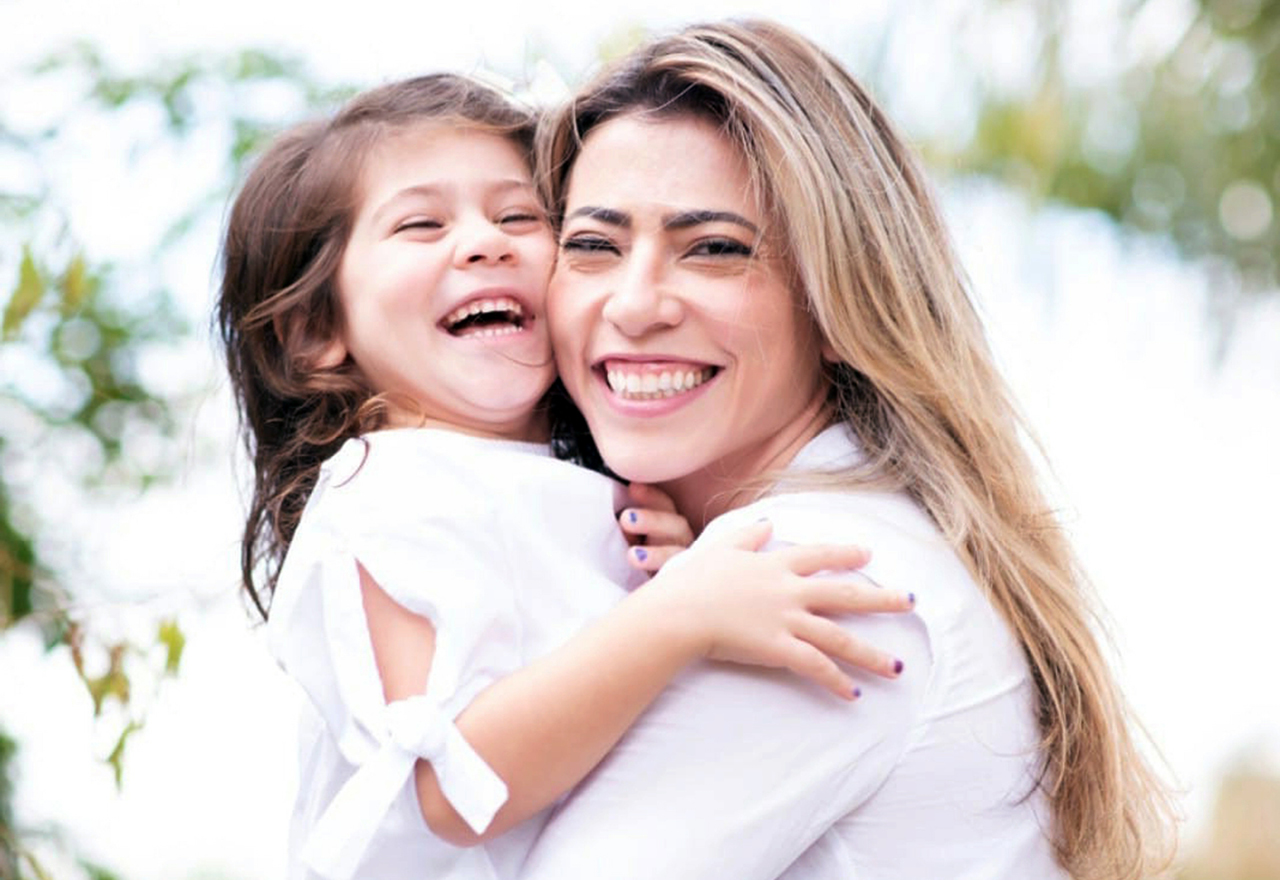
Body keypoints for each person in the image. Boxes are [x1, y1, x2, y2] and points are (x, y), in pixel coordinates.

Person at [216, 73, 914, 880]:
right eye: (420, 223)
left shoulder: (577, 485)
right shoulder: (382, 495)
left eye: (519, 216)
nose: (485, 242)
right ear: (315, 330)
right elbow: (450, 786)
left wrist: (673, 576)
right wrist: (677, 616)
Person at [524, 19, 1176, 880]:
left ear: (839, 302)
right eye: (593, 246)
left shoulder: (812, 581)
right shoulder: (741, 568)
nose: (636, 304)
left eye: (715, 249)